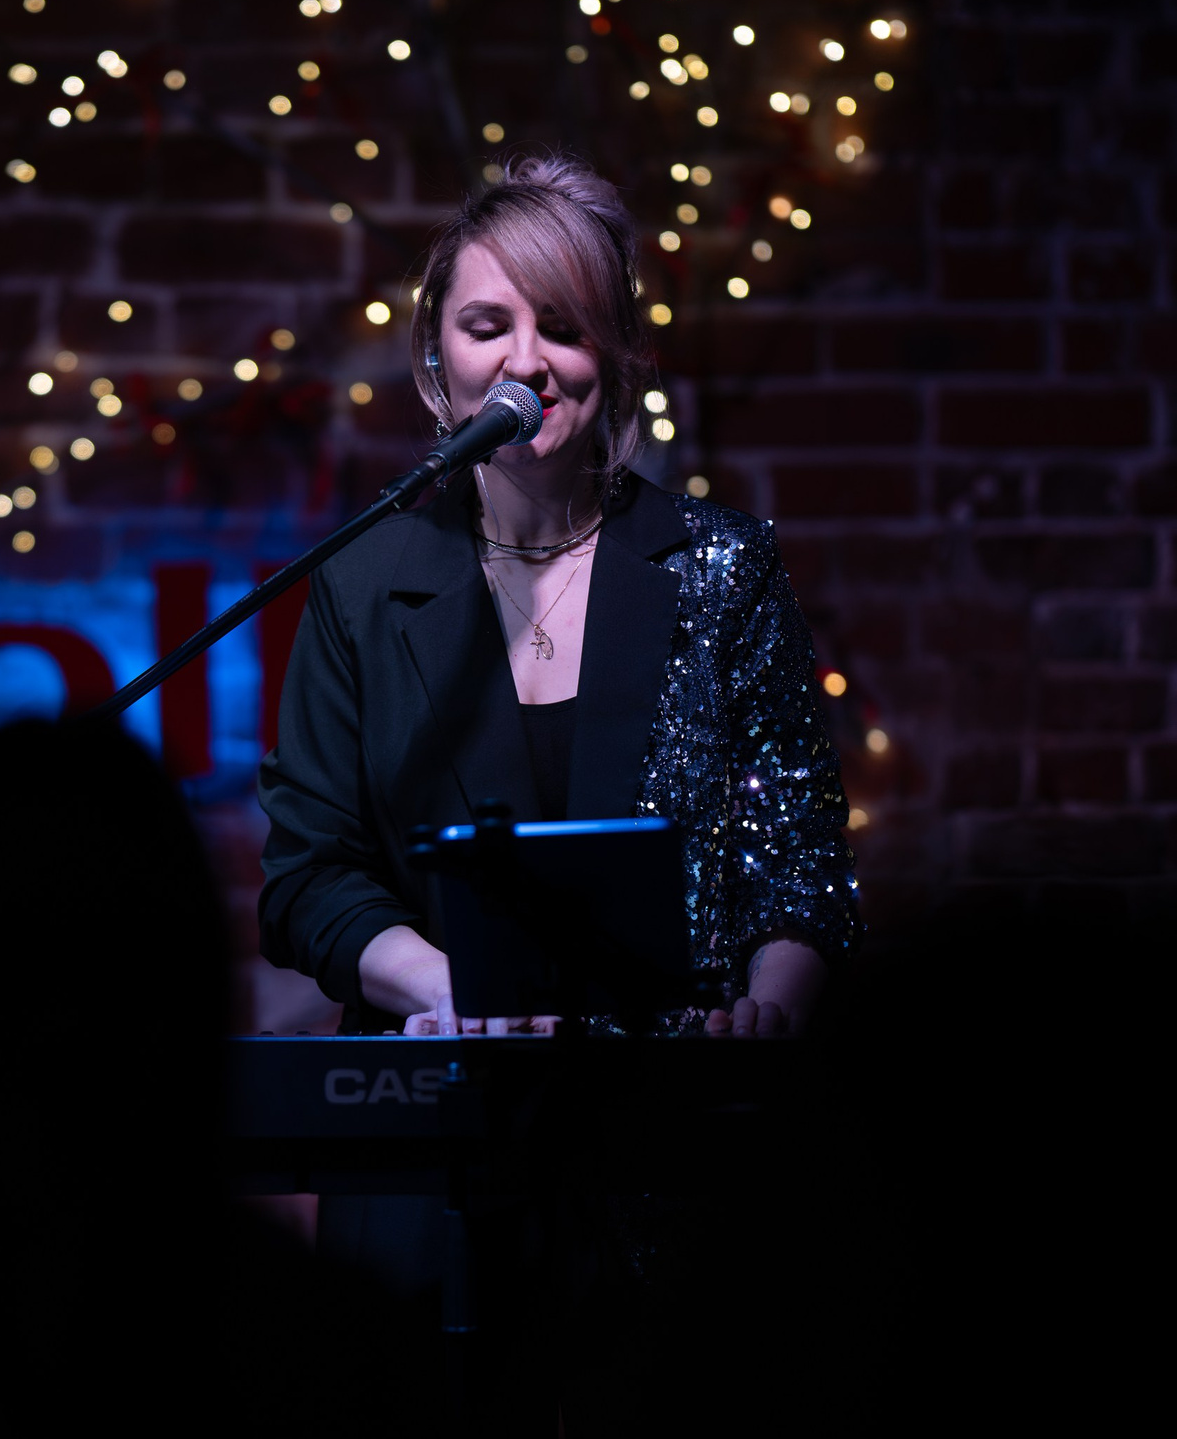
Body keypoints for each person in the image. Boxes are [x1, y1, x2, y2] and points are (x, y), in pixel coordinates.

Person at [259, 150, 859, 1039]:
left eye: (563, 328)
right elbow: (309, 875)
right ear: (437, 354)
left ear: (612, 357)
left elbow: (798, 858)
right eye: (486, 326)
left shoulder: (725, 567)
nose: (524, 362)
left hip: (670, 1097)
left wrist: (771, 1008)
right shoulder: (361, 584)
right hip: (446, 1096)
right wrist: (450, 988)